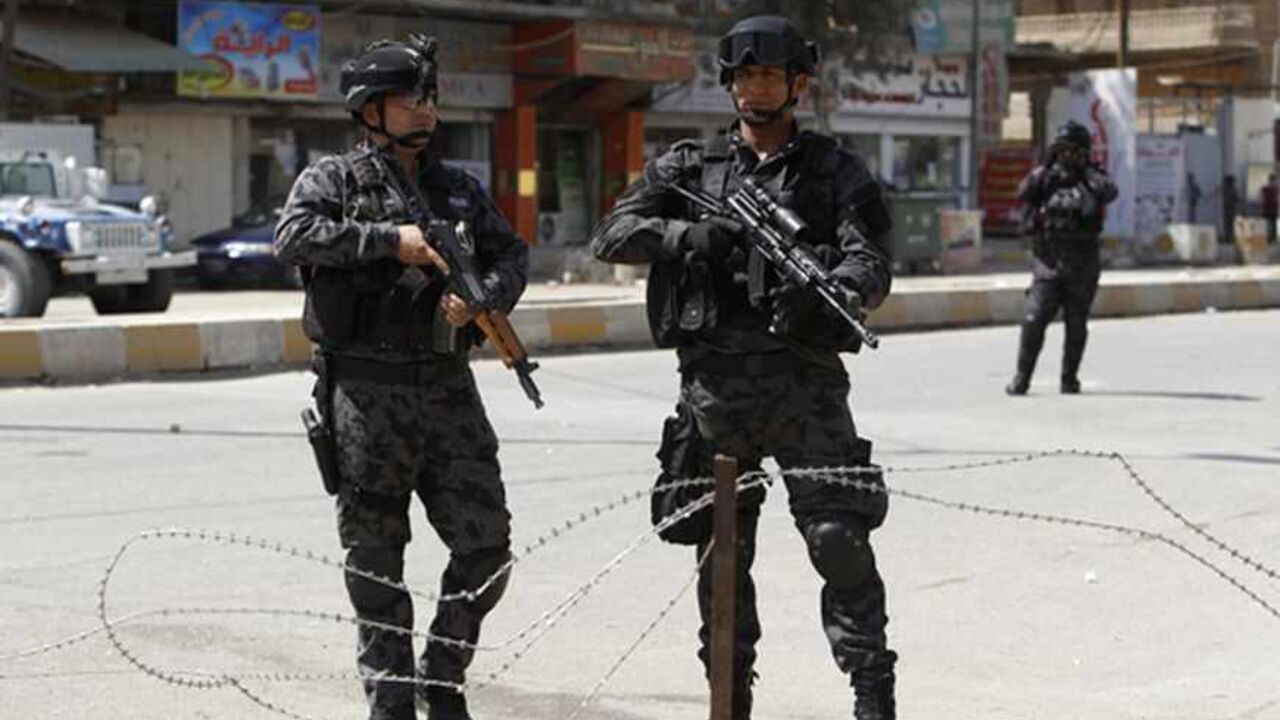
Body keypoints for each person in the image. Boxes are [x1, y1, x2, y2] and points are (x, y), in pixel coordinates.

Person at [590, 16, 897, 720]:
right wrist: (687, 236)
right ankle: (729, 695)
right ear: (730, 84)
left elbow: (873, 261)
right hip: (715, 391)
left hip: (805, 385)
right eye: (744, 76)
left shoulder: (835, 171)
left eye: (769, 76)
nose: (755, 88)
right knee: (721, 557)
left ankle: (872, 689)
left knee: (838, 539)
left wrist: (835, 287)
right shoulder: (687, 170)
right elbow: (611, 234)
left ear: (797, 84)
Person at [273, 34, 528, 720]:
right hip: (367, 395)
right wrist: (390, 242)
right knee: (376, 563)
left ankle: (441, 675)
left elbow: (511, 255)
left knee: (487, 547)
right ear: (370, 110)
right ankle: (390, 701)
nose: (425, 111)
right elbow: (292, 237)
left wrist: (484, 297)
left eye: (430, 99)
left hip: (448, 390)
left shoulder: (457, 189)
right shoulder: (333, 181)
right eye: (410, 99)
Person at [1006, 120, 1118, 395]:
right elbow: (1023, 192)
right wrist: (1046, 166)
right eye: (1063, 150)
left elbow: (1109, 192)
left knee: (1076, 323)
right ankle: (1022, 376)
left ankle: (1069, 378)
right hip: (1048, 262)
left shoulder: (1091, 179)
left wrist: (1087, 170)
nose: (1068, 157)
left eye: (1074, 151)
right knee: (1034, 318)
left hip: (1082, 262)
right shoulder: (1046, 178)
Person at [1261, 173, 1277, 244]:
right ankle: (1270, 238)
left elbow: (1261, 196)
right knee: (1270, 224)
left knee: (1270, 224)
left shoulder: (1266, 188)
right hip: (1271, 209)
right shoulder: (1274, 188)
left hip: (1269, 209)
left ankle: (1270, 238)